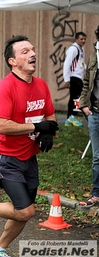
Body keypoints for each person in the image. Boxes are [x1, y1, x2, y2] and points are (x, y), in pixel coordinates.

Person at [0, 35, 58, 257]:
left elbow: (50, 115)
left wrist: (48, 131)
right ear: (13, 61)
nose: (32, 54)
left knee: (22, 212)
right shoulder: (6, 86)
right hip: (7, 157)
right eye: (25, 51)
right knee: (26, 211)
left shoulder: (41, 85)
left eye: (33, 49)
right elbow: (0, 125)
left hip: (29, 157)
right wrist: (37, 126)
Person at [78, 25, 99, 207]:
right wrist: (84, 105)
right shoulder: (94, 56)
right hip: (95, 113)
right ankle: (96, 193)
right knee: (97, 156)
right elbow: (86, 83)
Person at [63, 31, 87, 127]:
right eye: (81, 39)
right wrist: (67, 79)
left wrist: (87, 70)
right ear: (76, 39)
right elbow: (67, 63)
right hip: (73, 77)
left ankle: (70, 118)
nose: (83, 41)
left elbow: (80, 63)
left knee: (76, 97)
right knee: (76, 98)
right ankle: (72, 116)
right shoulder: (73, 49)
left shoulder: (81, 49)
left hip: (78, 76)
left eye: (84, 39)